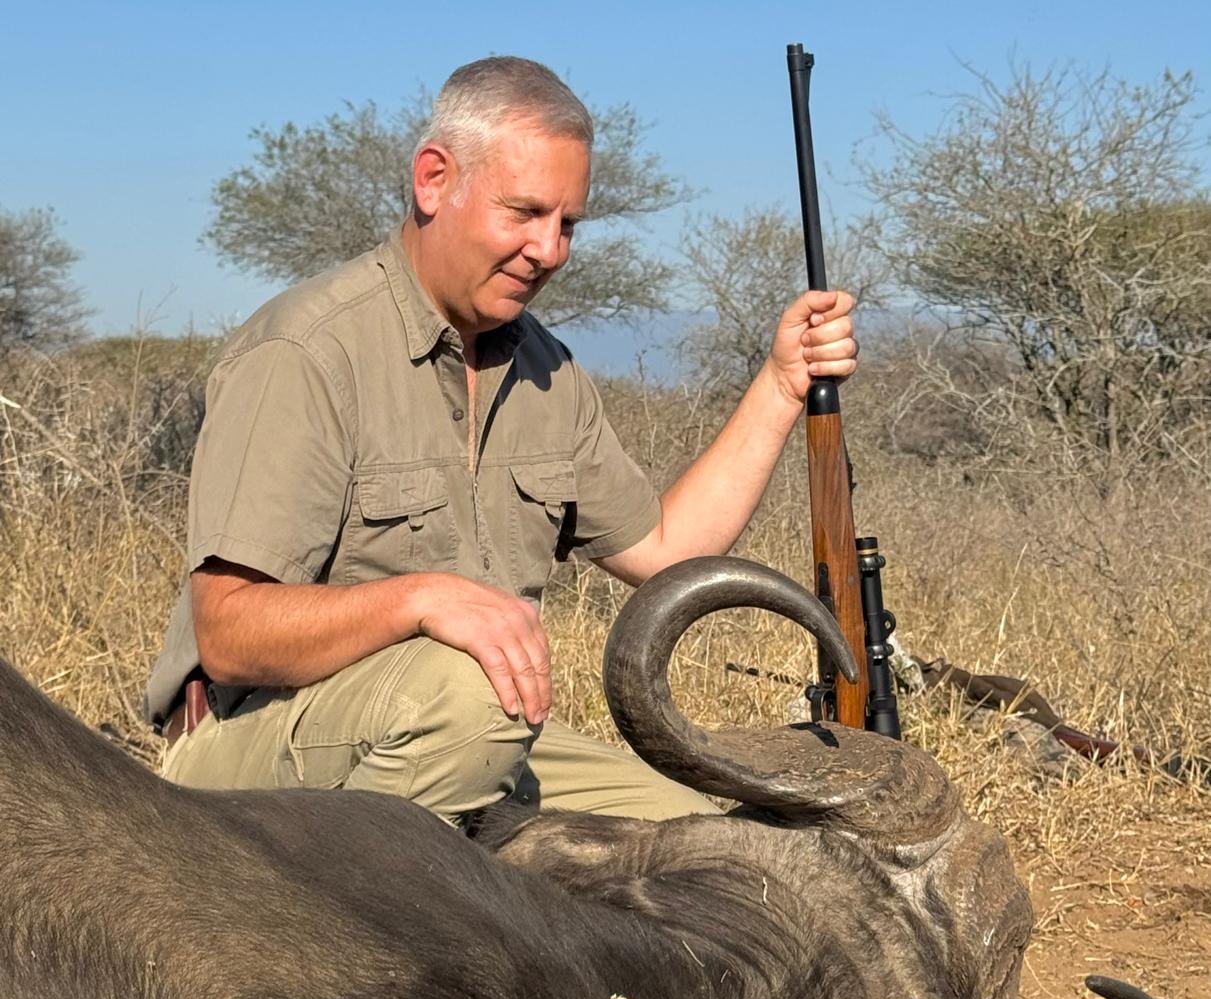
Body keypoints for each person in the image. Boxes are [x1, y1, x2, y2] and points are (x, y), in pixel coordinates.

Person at [144, 55, 860, 826]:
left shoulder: (546, 369)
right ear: (432, 180)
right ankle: (333, 936)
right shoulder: (306, 351)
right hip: (253, 744)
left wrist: (782, 385)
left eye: (568, 224)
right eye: (523, 212)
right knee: (475, 701)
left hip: (469, 731)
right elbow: (230, 633)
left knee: (711, 845)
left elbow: (665, 551)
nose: (549, 250)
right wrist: (419, 600)